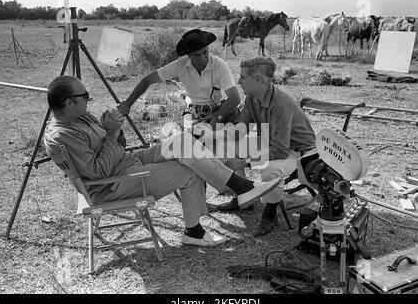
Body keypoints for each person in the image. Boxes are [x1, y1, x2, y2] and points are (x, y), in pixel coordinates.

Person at [43, 76, 281, 247]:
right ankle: (194, 231)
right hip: (111, 185)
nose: (88, 99)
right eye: (84, 95)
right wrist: (112, 134)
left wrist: (116, 133)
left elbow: (117, 146)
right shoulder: (62, 135)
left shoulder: (82, 116)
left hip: (124, 162)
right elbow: (97, 172)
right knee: (190, 169)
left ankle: (243, 188)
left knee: (184, 142)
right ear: (67, 102)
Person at [208, 57, 316, 237]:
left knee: (269, 169)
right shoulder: (252, 97)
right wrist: (214, 134)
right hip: (272, 141)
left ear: (258, 79)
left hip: (298, 150)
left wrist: (246, 163)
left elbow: (281, 151)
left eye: (243, 77)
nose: (239, 81)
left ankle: (270, 214)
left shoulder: (280, 104)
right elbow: (242, 127)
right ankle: (243, 197)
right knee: (224, 145)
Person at [117, 28, 242, 133]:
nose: (203, 58)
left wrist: (217, 118)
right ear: (189, 55)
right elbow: (147, 80)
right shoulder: (180, 65)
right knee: (192, 143)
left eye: (205, 52)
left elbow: (235, 98)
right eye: (197, 55)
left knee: (239, 131)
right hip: (194, 113)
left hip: (221, 110)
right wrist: (128, 103)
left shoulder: (219, 65)